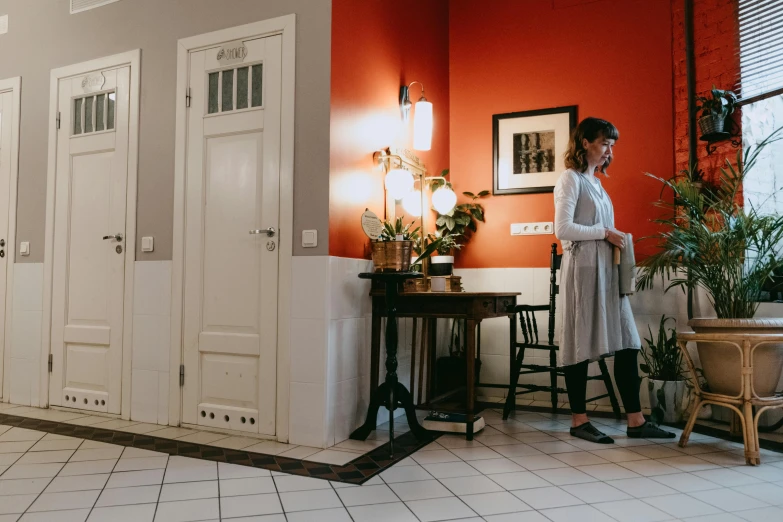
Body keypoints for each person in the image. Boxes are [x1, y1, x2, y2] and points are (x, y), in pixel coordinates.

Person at [553, 117, 674, 443]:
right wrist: (605, 232)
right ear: (585, 143)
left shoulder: (597, 183)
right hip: (582, 273)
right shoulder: (571, 179)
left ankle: (636, 420)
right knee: (579, 344)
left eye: (612, 145)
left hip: (606, 274)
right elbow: (562, 230)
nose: (609, 151)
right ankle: (579, 420)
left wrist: (613, 238)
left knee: (628, 341)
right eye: (605, 143)